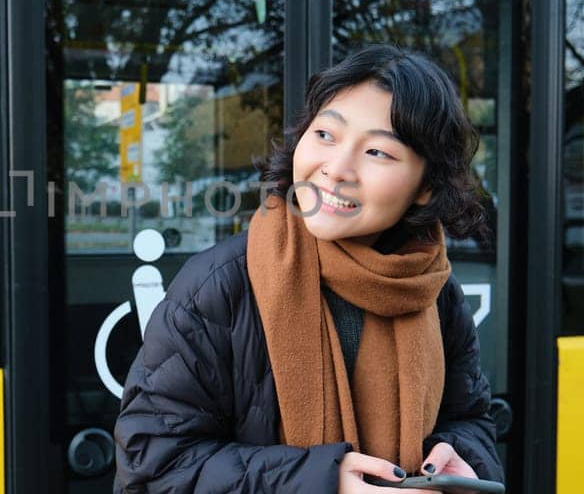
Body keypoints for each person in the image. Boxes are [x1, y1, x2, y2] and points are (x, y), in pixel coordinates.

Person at [114, 45, 501, 493]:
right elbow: (153, 466)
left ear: (425, 186)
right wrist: (321, 483)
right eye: (325, 136)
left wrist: (463, 458)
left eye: (377, 152)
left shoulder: (434, 290)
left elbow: (471, 419)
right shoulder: (218, 287)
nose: (336, 169)